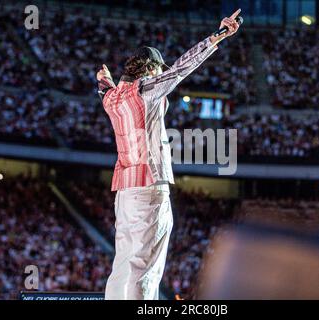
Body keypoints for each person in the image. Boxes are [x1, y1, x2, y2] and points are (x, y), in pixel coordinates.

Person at [96, 9, 242, 300]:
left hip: (124, 190)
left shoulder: (112, 99)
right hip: (149, 187)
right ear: (149, 69)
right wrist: (219, 35)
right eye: (157, 68)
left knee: (124, 262)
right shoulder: (146, 90)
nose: (162, 73)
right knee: (145, 266)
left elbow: (104, 89)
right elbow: (182, 68)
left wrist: (103, 78)